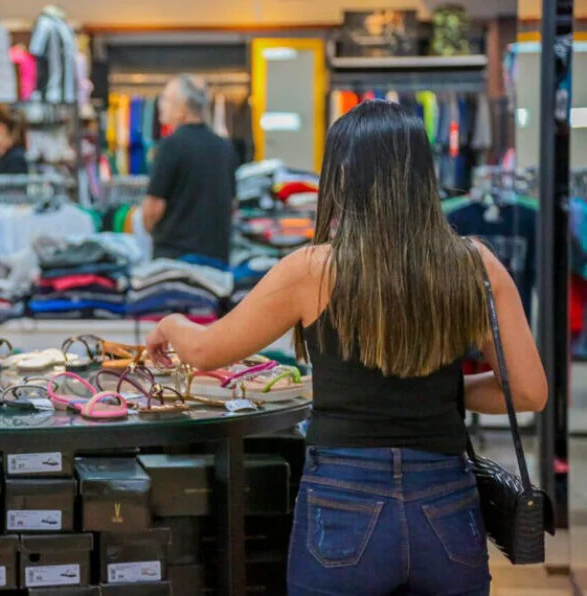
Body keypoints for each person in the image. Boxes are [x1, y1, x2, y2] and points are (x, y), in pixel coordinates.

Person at [145, 100, 547, 595]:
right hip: (446, 501)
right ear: (424, 172)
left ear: (340, 177)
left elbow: (206, 351)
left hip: (343, 500)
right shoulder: (475, 265)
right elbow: (527, 392)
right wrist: (439, 390)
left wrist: (171, 322)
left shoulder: (313, 269)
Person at [142, 74, 237, 267]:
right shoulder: (224, 147)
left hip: (174, 261)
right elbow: (232, 203)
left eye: (166, 99)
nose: (161, 105)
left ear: (182, 107)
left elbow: (154, 206)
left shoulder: (170, 146)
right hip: (216, 259)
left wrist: (150, 228)